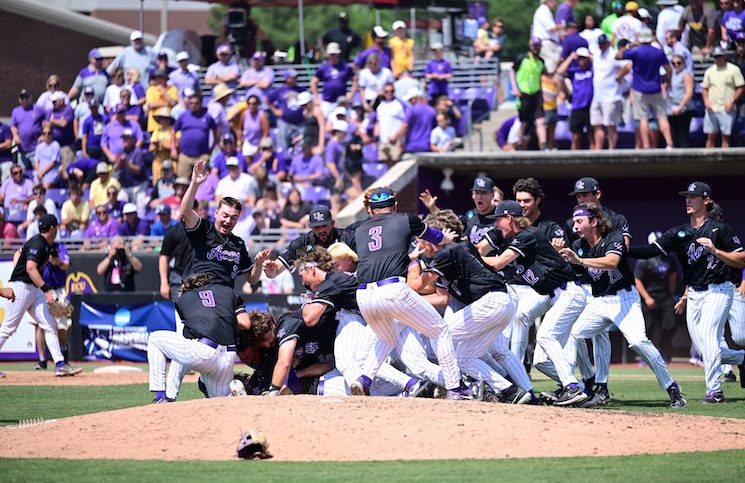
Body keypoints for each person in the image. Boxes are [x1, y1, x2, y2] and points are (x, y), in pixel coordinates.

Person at [558, 203, 687, 408]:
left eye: (580, 221)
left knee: (638, 342)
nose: (575, 226)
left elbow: (611, 262)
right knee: (573, 335)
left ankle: (672, 387)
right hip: (599, 301)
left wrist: (579, 261)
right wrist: (563, 257)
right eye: (574, 222)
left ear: (594, 222)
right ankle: (580, 386)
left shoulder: (614, 238)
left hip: (624, 298)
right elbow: (579, 273)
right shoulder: (578, 245)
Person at [628, 182, 745, 403]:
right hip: (694, 293)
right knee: (703, 349)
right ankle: (741, 358)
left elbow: (741, 260)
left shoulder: (721, 228)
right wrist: (623, 250)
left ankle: (714, 391)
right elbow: (651, 250)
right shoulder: (680, 232)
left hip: (719, 289)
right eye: (687, 196)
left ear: (706, 200)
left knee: (709, 338)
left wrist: (716, 250)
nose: (688, 200)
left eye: (693, 196)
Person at [349, 187, 468, 399]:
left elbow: (382, 255)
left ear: (371, 209)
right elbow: (436, 238)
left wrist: (408, 257)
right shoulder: (405, 219)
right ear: (395, 205)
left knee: (387, 338)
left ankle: (364, 379)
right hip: (392, 289)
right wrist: (447, 238)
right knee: (440, 330)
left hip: (364, 295)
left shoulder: (360, 229)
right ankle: (455, 389)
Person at [406, 210, 528, 403]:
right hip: (499, 303)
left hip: (491, 301)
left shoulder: (446, 252)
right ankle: (509, 390)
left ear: (430, 240)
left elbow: (415, 285)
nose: (418, 244)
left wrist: (412, 260)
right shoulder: (452, 250)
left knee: (442, 335)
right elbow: (438, 292)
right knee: (464, 357)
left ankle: (459, 388)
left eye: (421, 239)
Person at [148, 273, 257, 402]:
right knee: (222, 402)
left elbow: (186, 335)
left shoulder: (184, 298)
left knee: (154, 339)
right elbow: (245, 323)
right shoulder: (228, 291)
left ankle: (161, 397)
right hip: (228, 356)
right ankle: (239, 397)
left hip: (203, 351)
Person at [0, 214, 82, 376]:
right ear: (52, 228)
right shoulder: (38, 242)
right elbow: (30, 268)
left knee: (49, 324)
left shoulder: (45, 244)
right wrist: (46, 290)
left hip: (33, 289)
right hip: (21, 287)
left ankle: (60, 364)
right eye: (56, 227)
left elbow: (20, 253)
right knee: (9, 327)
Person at [179, 159, 268, 287]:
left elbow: (252, 279)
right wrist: (194, 183)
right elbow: (185, 211)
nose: (228, 221)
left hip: (223, 294)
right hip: (196, 289)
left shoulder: (238, 244)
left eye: (233, 218)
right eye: (225, 216)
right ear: (216, 213)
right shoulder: (203, 228)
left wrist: (258, 264)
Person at [617, 29, 674, 150]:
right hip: (656, 88)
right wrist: (669, 81)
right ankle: (669, 143)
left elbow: (618, 56)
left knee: (643, 119)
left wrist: (629, 45)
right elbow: (668, 69)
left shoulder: (636, 52)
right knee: (662, 117)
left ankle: (646, 146)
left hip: (640, 90)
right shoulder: (658, 52)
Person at [635, 231, 678, 362]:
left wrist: (671, 293)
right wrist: (647, 298)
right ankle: (647, 356)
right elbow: (637, 280)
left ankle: (662, 349)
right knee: (648, 327)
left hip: (665, 297)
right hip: (649, 298)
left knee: (671, 325)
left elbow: (673, 275)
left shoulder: (668, 258)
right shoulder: (644, 260)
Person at [591, 34, 631, 150]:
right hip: (597, 96)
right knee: (597, 124)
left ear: (608, 44)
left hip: (611, 96)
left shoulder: (613, 55)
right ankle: (598, 150)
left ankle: (611, 150)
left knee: (611, 126)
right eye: (600, 44)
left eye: (604, 44)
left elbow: (628, 65)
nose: (602, 46)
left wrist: (619, 75)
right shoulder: (597, 55)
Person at [702, 47, 745, 148]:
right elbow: (705, 88)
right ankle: (708, 157)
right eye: (716, 57)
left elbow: (741, 87)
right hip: (712, 108)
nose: (718, 59)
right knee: (710, 136)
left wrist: (732, 100)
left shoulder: (734, 69)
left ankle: (725, 158)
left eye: (720, 56)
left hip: (727, 108)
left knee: (725, 137)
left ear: (724, 56)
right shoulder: (709, 71)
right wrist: (706, 101)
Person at [510, 37, 548, 150]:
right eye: (534, 46)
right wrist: (515, 87)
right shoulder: (522, 58)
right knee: (524, 121)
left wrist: (543, 93)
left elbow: (541, 77)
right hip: (524, 93)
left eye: (537, 46)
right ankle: (520, 144)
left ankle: (543, 145)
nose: (536, 48)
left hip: (536, 93)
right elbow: (512, 70)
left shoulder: (541, 61)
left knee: (541, 120)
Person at [171, 91, 218, 179]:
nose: (193, 105)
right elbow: (173, 130)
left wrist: (211, 148)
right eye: (191, 103)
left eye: (196, 103)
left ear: (201, 103)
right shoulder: (184, 116)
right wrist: (173, 148)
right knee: (182, 181)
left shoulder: (207, 117)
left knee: (201, 181)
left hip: (202, 155)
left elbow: (216, 131)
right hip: (185, 155)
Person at [557, 48, 594, 150]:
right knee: (576, 136)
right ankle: (574, 155)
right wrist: (570, 57)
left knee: (592, 135)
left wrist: (593, 58)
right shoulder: (574, 71)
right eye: (580, 58)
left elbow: (601, 67)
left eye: (584, 58)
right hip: (577, 106)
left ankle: (594, 156)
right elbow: (560, 71)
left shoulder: (592, 70)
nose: (582, 60)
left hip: (590, 106)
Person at [312, 42, 357, 118]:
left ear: (338, 54)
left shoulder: (345, 67)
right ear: (328, 54)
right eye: (331, 54)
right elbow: (314, 82)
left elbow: (355, 80)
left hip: (341, 101)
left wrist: (351, 94)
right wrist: (316, 97)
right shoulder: (324, 67)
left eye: (335, 54)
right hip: (327, 102)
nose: (333, 56)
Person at [266, 70, 305, 150]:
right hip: (284, 121)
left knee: (300, 146)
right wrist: (275, 110)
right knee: (283, 146)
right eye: (292, 77)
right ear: (287, 79)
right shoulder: (280, 90)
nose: (295, 79)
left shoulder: (301, 90)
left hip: (299, 122)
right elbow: (267, 100)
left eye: (296, 77)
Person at [11, 89, 46, 169]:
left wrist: (44, 135)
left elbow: (47, 122)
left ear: (30, 97)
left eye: (26, 97)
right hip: (22, 150)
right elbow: (13, 126)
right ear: (19, 99)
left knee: (37, 171)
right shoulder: (16, 111)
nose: (24, 100)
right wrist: (15, 135)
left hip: (36, 149)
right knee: (22, 173)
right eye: (22, 97)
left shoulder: (38, 109)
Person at [667, 54, 695, 148]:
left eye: (678, 63)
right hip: (672, 109)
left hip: (684, 109)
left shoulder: (686, 75)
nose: (676, 65)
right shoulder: (672, 75)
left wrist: (681, 106)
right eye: (673, 63)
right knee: (674, 137)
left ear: (683, 63)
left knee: (683, 137)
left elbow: (689, 92)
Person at [113, 128, 147, 204]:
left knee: (140, 206)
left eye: (127, 138)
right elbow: (115, 170)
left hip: (139, 185)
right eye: (124, 138)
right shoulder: (121, 151)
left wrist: (126, 163)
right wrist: (119, 163)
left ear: (133, 140)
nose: (125, 140)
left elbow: (138, 170)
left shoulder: (138, 152)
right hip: (125, 186)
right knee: (121, 204)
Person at [376, 83, 407, 162]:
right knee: (386, 164)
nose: (389, 93)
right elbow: (379, 122)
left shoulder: (399, 104)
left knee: (397, 163)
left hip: (395, 141)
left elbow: (405, 124)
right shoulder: (381, 106)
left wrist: (398, 137)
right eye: (386, 91)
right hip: (383, 141)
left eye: (391, 91)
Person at [402, 88, 436, 154]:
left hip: (411, 146)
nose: (409, 102)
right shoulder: (432, 111)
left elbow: (404, 126)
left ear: (415, 98)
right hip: (426, 146)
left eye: (410, 100)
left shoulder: (411, 109)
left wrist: (397, 138)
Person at [532, 0, 563, 73]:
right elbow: (552, 28)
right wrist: (564, 25)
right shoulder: (544, 11)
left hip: (547, 43)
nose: (556, 3)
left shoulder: (544, 10)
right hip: (547, 43)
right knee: (549, 69)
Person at [148, 108, 175, 185]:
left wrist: (162, 144)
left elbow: (175, 146)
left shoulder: (172, 131)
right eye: (162, 118)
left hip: (169, 160)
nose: (164, 121)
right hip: (158, 161)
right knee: (157, 183)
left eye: (166, 118)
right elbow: (150, 148)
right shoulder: (156, 131)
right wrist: (156, 146)